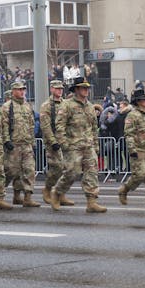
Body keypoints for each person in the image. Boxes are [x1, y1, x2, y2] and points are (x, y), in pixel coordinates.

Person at [51, 77, 106, 213]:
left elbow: (94, 127)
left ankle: (91, 201)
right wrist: (64, 143)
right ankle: (57, 192)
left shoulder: (89, 106)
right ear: (76, 89)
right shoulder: (67, 105)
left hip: (88, 145)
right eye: (83, 88)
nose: (86, 90)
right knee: (72, 172)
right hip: (73, 146)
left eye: (87, 88)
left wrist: (96, 145)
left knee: (92, 173)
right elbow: (60, 126)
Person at [118, 89, 145, 208]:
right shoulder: (132, 115)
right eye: (144, 99)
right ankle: (124, 190)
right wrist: (132, 150)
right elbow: (129, 134)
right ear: (138, 101)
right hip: (139, 149)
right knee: (139, 175)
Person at [2, 81, 39, 207]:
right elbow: (4, 125)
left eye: (23, 89)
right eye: (19, 90)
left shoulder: (27, 106)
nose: (22, 92)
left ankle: (27, 197)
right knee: (11, 171)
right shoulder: (7, 107)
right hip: (14, 144)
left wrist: (32, 142)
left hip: (26, 144)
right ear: (13, 91)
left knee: (29, 170)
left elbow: (31, 124)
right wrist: (6, 141)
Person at [38, 80, 74, 206]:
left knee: (67, 169)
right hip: (52, 142)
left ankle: (60, 193)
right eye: (57, 88)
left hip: (64, 140)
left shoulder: (66, 104)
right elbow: (45, 126)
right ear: (51, 89)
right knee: (57, 167)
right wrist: (53, 141)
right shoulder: (46, 106)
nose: (60, 91)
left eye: (61, 89)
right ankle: (47, 189)